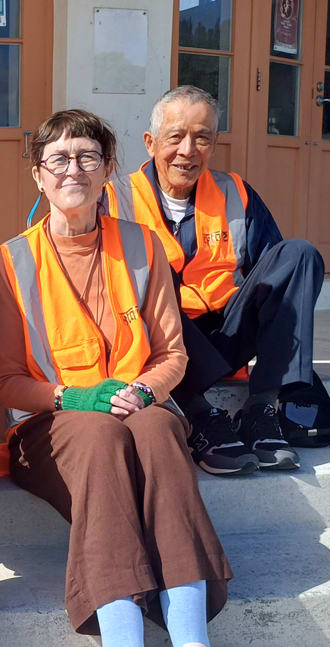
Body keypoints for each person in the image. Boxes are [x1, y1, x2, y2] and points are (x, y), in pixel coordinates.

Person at [0, 109, 232, 647]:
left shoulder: (144, 247)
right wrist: (72, 397)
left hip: (136, 407)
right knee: (101, 440)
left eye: (87, 157)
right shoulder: (10, 261)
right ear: (38, 174)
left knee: (157, 435)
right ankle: (124, 645)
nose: (72, 169)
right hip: (49, 425)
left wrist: (144, 391)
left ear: (107, 170)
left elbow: (171, 354)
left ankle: (193, 640)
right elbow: (4, 380)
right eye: (58, 159)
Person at [103, 85, 329, 476]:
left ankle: (260, 410)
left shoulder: (235, 192)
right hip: (159, 340)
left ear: (214, 143)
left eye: (202, 137)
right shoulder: (113, 198)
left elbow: (277, 280)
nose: (188, 150)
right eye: (175, 137)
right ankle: (202, 416)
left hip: (227, 332)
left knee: (299, 255)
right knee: (150, 267)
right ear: (150, 142)